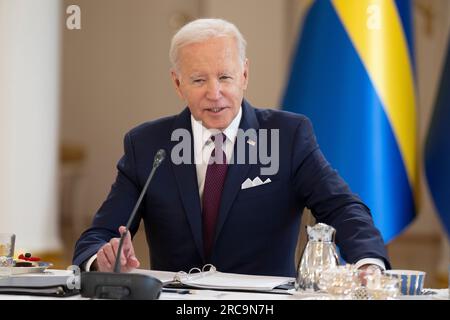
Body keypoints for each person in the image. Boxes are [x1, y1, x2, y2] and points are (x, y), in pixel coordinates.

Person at [73, 18, 390, 277]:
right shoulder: (146, 145)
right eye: (198, 80)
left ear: (244, 75)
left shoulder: (288, 135)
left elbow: (342, 208)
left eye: (225, 77)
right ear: (177, 83)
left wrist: (368, 262)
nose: (215, 93)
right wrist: (102, 258)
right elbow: (98, 235)